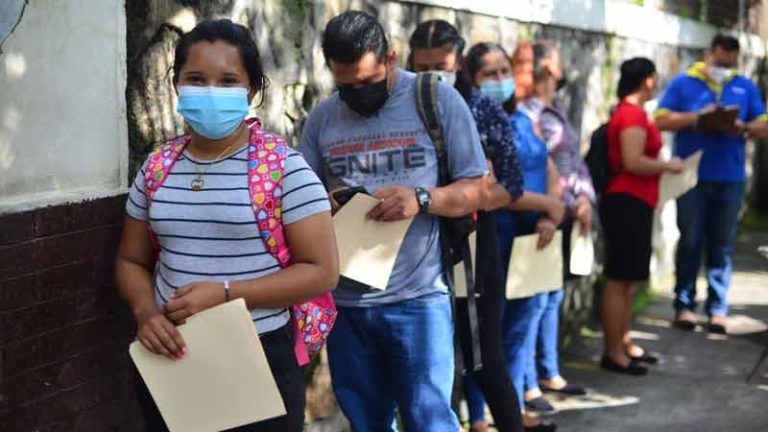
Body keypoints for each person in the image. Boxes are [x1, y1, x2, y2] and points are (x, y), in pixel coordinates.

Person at [115, 19, 339, 431]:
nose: (210, 92)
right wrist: (146, 314)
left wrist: (225, 293)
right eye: (196, 79)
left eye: (228, 81)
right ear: (176, 85)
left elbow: (322, 272)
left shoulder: (286, 169)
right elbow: (131, 260)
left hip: (258, 355)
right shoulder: (157, 168)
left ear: (252, 90)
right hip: (171, 355)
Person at [300, 11, 496, 431]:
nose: (357, 94)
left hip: (419, 299)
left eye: (367, 82)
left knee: (431, 420)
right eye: (345, 85)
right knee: (367, 422)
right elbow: (301, 205)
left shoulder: (437, 100)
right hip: (347, 305)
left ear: (390, 58)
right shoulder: (322, 118)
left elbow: (479, 189)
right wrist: (325, 205)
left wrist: (421, 199)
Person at [408, 20, 565, 432]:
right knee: (419, 355)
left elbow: (510, 184)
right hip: (410, 243)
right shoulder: (400, 104)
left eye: (441, 66)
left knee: (482, 352)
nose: (432, 76)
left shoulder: (480, 107)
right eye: (422, 67)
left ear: (458, 62)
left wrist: (460, 197)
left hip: (470, 241)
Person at [462, 42, 562, 432]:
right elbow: (493, 188)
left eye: (505, 71)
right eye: (490, 74)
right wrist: (547, 205)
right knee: (484, 335)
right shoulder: (472, 120)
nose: (501, 80)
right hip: (494, 235)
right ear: (471, 78)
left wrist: (548, 213)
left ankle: (514, 406)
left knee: (521, 326)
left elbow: (546, 165)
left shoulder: (521, 117)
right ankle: (479, 417)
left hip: (532, 236)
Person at [655, 34, 768, 334]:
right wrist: (697, 118)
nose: (724, 65)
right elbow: (661, 119)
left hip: (730, 177)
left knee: (722, 244)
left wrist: (743, 127)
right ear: (709, 54)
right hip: (692, 177)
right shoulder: (683, 83)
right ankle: (684, 305)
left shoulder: (744, 86)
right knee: (690, 240)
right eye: (720, 60)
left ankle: (717, 309)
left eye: (729, 61)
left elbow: (764, 124)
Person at [518, 41, 591, 410]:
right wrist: (552, 210)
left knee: (552, 296)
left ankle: (548, 371)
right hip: (543, 216)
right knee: (535, 300)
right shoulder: (528, 114)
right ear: (547, 67)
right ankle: (529, 382)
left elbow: (574, 162)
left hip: (564, 212)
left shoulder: (555, 109)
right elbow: (540, 167)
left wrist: (585, 198)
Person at [600, 57, 683, 375]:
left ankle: (623, 342)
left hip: (637, 200)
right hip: (627, 201)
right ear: (647, 80)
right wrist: (668, 165)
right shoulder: (631, 114)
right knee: (618, 278)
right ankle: (613, 352)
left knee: (629, 279)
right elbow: (633, 161)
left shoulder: (632, 112)